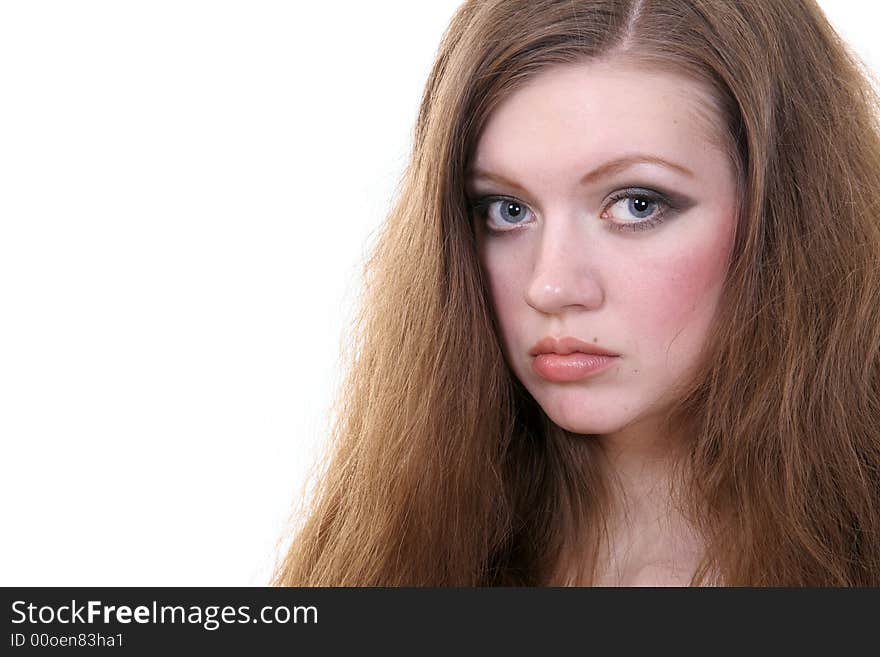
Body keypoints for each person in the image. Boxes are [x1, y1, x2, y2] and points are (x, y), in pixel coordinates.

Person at [272, 0, 880, 586]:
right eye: (506, 210)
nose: (551, 285)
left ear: (789, 217)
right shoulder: (391, 554)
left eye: (636, 204)